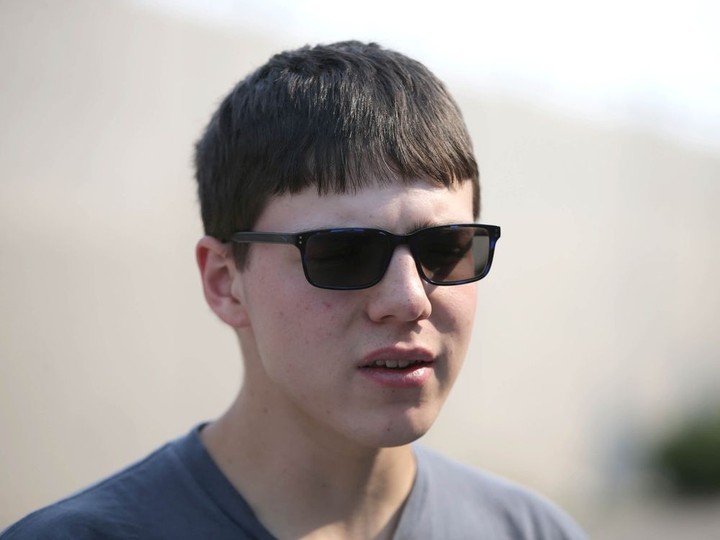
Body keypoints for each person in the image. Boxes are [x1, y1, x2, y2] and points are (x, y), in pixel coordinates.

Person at [2, 41, 585, 539]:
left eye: (444, 248)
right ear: (225, 281)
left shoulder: (530, 530)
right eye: (343, 252)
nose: (410, 299)